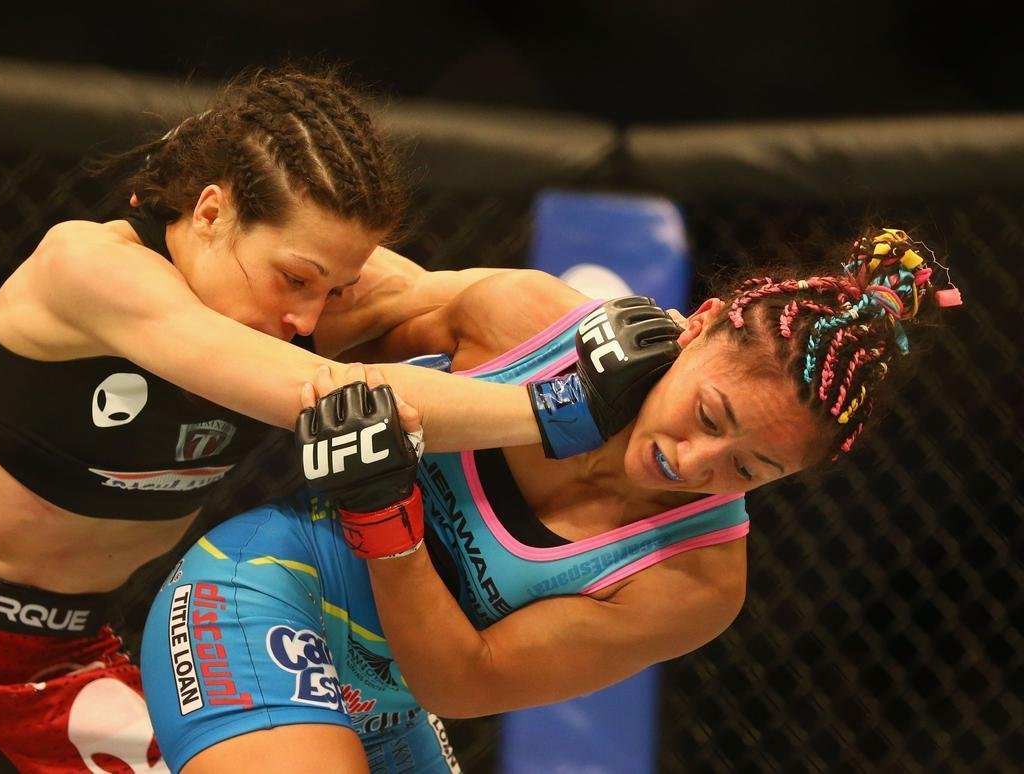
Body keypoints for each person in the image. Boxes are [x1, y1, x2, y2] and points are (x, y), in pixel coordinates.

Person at [0, 66, 628, 773]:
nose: (311, 314)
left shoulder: (310, 297)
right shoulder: (88, 267)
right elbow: (317, 388)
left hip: (64, 657)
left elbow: (469, 299)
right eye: (296, 279)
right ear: (211, 211)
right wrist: (561, 406)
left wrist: (630, 342)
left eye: (336, 288)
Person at [139, 228, 962, 772]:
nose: (694, 462)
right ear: (698, 322)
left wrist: (388, 523)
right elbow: (320, 327)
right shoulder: (528, 324)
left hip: (393, 707)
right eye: (710, 417)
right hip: (268, 591)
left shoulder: (697, 583)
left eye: (749, 470)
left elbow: (464, 683)